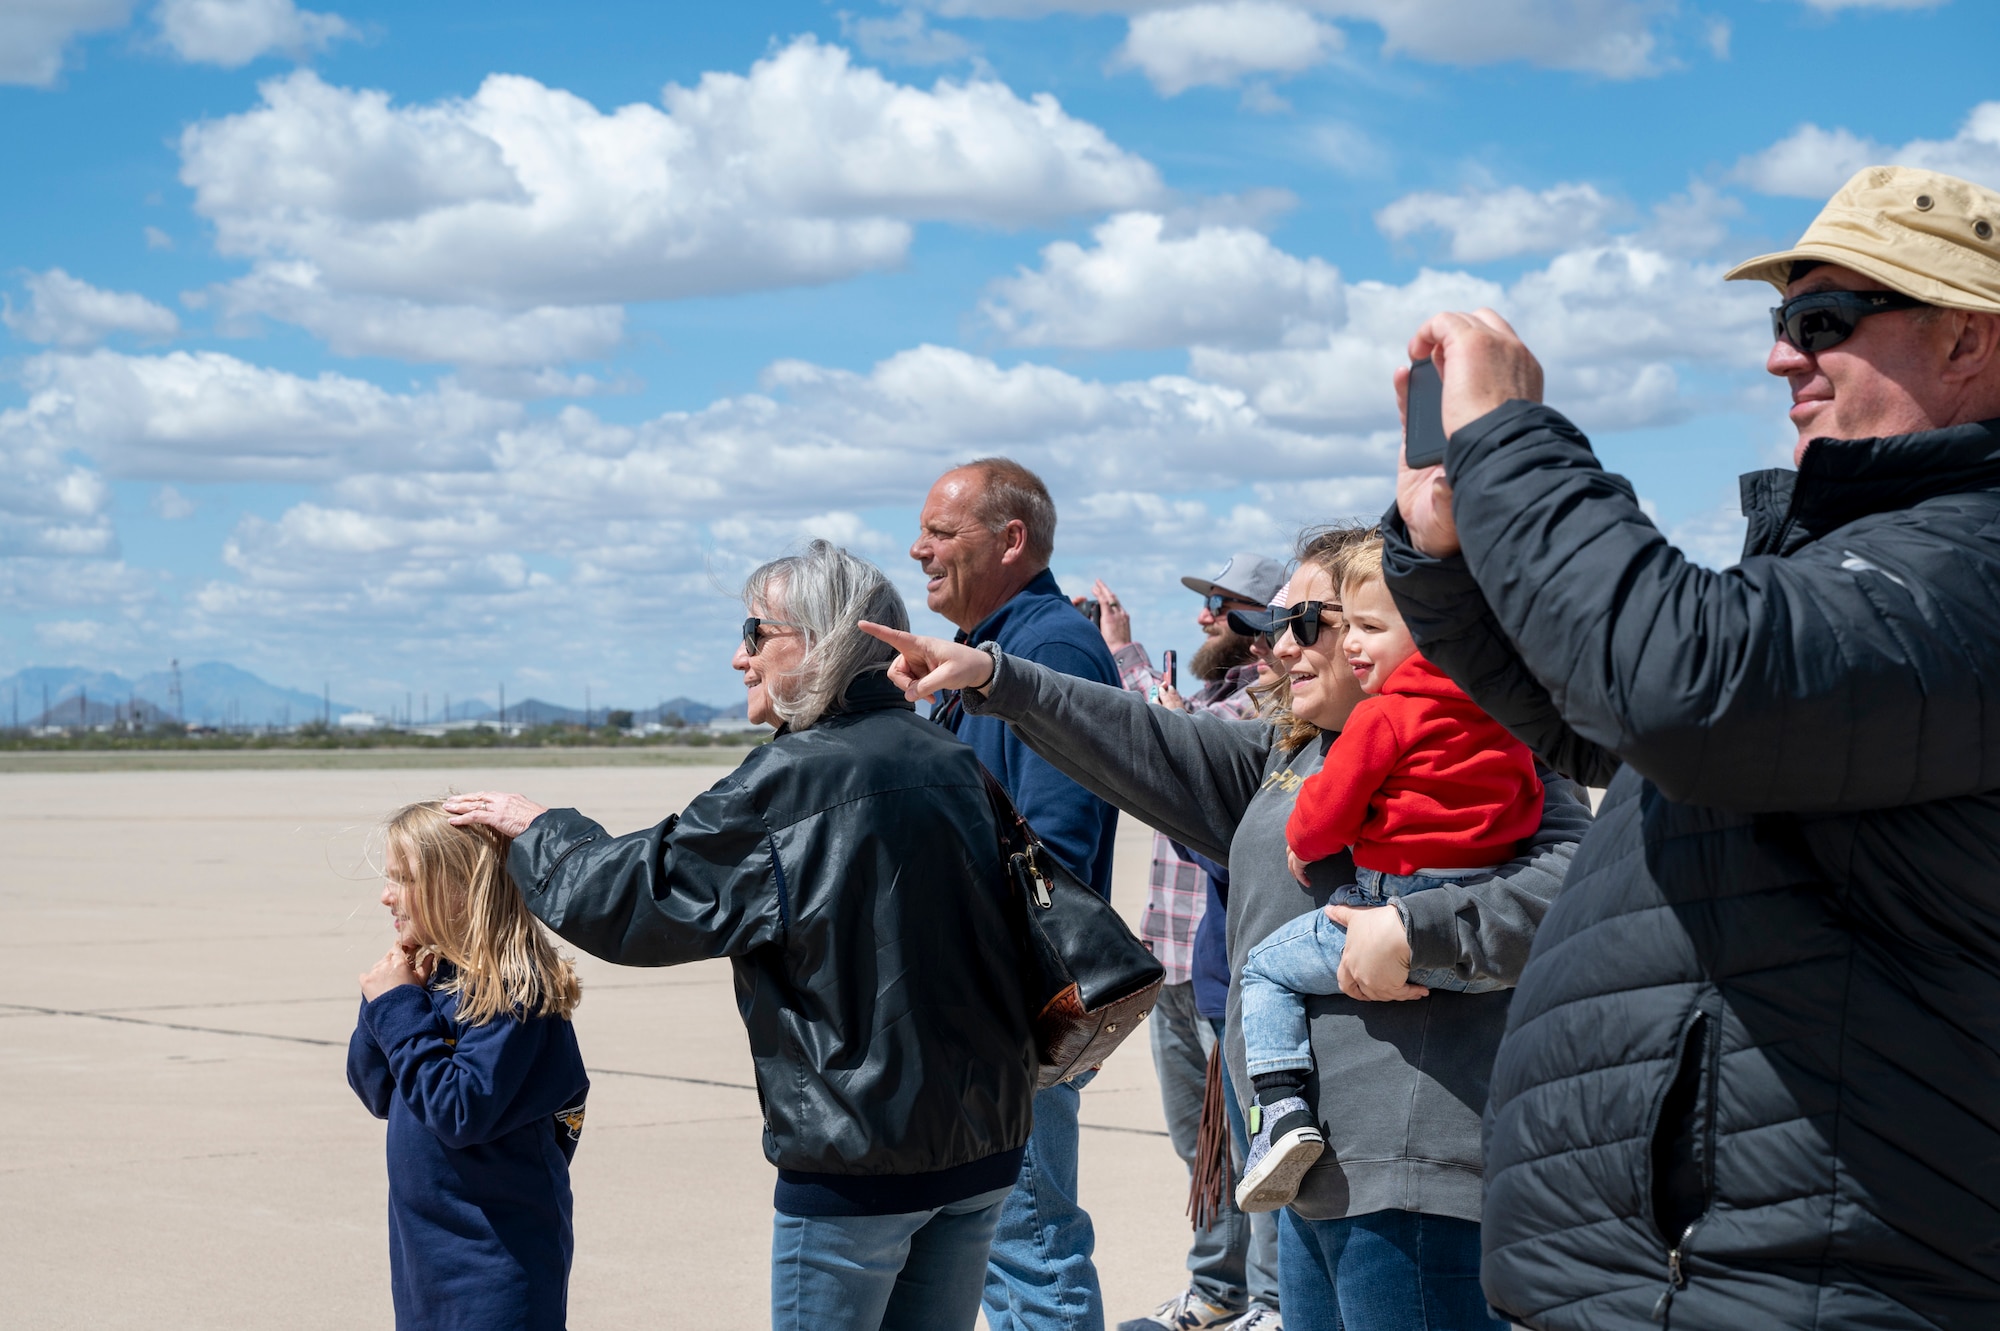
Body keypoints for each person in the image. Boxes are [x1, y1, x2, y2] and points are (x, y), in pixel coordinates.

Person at [1382, 165, 2000, 1328]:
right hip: (1697, 1274)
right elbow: (1607, 721)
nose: (1780, 358)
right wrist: (1453, 554)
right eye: (1780, 324)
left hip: (1793, 1283)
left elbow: (1683, 691)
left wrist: (1513, 438)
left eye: (1822, 321)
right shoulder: (1876, 561)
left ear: (1968, 340)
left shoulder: (1968, 562)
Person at [860, 520, 1588, 1331]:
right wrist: (997, 676)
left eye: (1306, 623)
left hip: (1410, 1173)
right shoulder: (1292, 757)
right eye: (1276, 625)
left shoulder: (1488, 743)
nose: (1281, 648)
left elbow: (1571, 883)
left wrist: (1418, 929)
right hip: (1319, 1179)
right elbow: (1143, 736)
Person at [444, 541, 1037, 1331]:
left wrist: (539, 829)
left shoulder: (793, 777)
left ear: (824, 640)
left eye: (756, 633)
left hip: (858, 1162)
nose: (738, 657)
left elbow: (632, 899)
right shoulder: (951, 755)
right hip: (983, 1149)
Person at [1233, 534, 1542, 1214]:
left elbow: (1328, 808)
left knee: (1263, 968)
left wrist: (1303, 839)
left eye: (1369, 628)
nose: (1351, 645)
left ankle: (1280, 1111)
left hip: (1389, 900)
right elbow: (1527, 801)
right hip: (1463, 910)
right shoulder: (1498, 714)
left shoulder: (1383, 715)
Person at [910, 458, 1122, 1331]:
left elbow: (1057, 851)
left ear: (1010, 540)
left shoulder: (1046, 648)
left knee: (1031, 1249)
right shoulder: (993, 653)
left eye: (941, 532)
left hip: (1013, 1016)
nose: (918, 549)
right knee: (1005, 1253)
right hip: (988, 1012)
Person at [1087, 555, 1285, 1331]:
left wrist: (1124, 655)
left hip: (1229, 970)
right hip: (1174, 954)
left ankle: (1267, 1302)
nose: (1205, 616)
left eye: (1222, 604)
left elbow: (1167, 746)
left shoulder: (1263, 708)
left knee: (1254, 1147)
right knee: (1201, 1147)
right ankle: (1218, 1290)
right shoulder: (1205, 700)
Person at [346, 800, 590, 1331]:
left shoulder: (512, 994)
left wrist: (397, 1009)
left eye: (402, 879)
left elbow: (458, 1110)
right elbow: (378, 1091)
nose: (386, 896)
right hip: (426, 1258)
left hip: (497, 1262)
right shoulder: (434, 980)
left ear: (461, 888)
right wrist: (385, 1002)